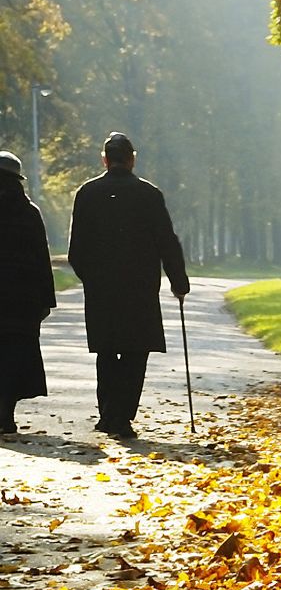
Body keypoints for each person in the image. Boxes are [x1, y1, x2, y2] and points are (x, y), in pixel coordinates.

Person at [68, 132, 189, 439]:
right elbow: (166, 241)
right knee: (136, 351)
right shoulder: (149, 194)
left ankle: (109, 413)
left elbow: (76, 250)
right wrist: (179, 281)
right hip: (140, 288)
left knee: (106, 351)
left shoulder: (87, 193)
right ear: (132, 159)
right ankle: (121, 416)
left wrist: (91, 279)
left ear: (105, 159)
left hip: (102, 289)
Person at [0, 151, 56, 434]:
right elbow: (41, 258)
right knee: (15, 355)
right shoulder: (29, 212)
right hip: (21, 301)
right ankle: (6, 414)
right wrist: (47, 299)